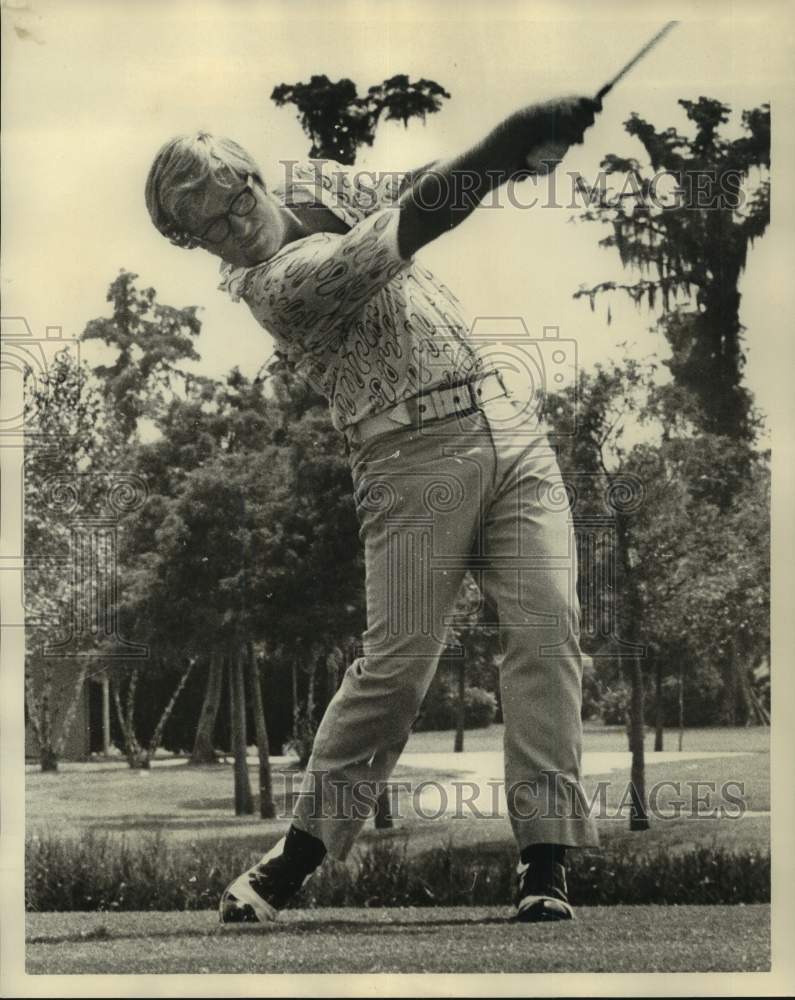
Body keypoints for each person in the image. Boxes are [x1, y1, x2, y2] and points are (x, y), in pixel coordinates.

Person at [145, 94, 602, 924]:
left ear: (252, 173)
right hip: (408, 456)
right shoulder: (272, 286)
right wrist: (510, 136)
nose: (234, 226)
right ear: (194, 242)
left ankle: (544, 866)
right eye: (208, 228)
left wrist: (523, 158)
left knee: (547, 636)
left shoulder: (317, 181)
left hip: (507, 423)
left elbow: (416, 181)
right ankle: (293, 859)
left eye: (236, 200)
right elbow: (416, 221)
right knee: (396, 671)